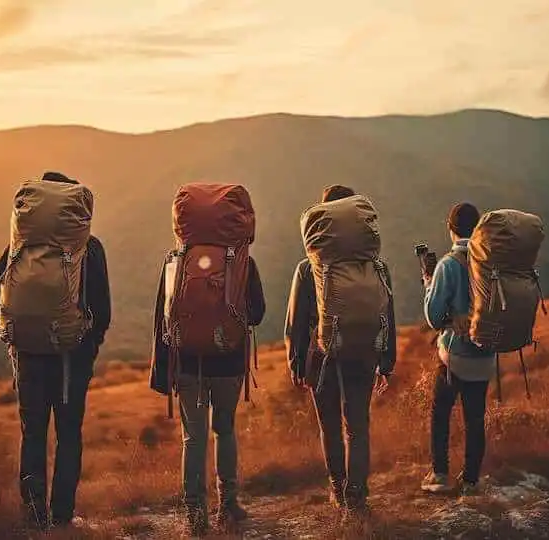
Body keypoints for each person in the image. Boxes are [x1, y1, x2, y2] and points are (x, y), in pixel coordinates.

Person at [0, 171, 112, 529]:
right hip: (72, 357)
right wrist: (88, 346)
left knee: (33, 433)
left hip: (26, 356)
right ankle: (62, 517)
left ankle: (32, 516)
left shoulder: (19, 246)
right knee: (69, 433)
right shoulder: (89, 247)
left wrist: (20, 335)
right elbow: (103, 310)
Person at [284, 184, 397, 522]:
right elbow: (386, 315)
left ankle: (337, 489)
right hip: (364, 352)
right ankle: (358, 495)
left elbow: (296, 320)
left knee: (330, 426)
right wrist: (387, 361)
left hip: (322, 357)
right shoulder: (377, 266)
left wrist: (295, 360)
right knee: (358, 426)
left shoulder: (309, 268)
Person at [149, 233, 266, 536]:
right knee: (224, 430)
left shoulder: (174, 262)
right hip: (228, 363)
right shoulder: (242, 262)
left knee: (193, 438)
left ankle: (195, 513)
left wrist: (161, 372)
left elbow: (162, 317)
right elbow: (258, 312)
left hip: (188, 364)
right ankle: (228, 505)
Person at [420, 202, 495, 496]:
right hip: (486, 354)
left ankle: (439, 473)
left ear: (450, 229)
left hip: (455, 356)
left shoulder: (449, 265)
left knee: (440, 411)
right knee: (475, 417)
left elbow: (433, 317)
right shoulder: (490, 261)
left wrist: (428, 283)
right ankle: (472, 479)